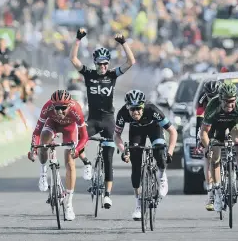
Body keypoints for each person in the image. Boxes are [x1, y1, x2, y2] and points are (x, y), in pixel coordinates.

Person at [69, 28, 136, 209]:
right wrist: (78, 40)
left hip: (107, 120)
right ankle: (88, 163)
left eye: (106, 64)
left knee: (108, 159)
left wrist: (123, 43)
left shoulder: (112, 75)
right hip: (92, 119)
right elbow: (74, 60)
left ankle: (107, 195)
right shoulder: (89, 74)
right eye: (100, 64)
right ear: (95, 64)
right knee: (75, 142)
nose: (103, 67)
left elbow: (131, 61)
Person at [114, 89, 178, 220]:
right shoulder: (122, 113)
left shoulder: (152, 110)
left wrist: (170, 152)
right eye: (132, 109)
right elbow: (117, 136)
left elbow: (173, 132)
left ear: (143, 106)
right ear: (127, 107)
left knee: (159, 151)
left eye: (138, 108)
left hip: (154, 128)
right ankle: (138, 205)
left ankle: (162, 176)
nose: (135, 112)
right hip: (136, 131)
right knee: (136, 166)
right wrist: (124, 150)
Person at [28, 90, 89, 221]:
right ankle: (43, 172)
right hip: (52, 125)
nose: (60, 112)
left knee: (69, 164)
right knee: (43, 142)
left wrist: (77, 150)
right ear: (52, 105)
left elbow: (84, 136)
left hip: (69, 129)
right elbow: (37, 131)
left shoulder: (76, 109)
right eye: (57, 108)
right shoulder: (47, 107)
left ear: (70, 104)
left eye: (63, 108)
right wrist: (33, 148)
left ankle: (68, 204)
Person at [199, 81, 238, 212]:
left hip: (234, 123)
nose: (230, 104)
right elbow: (204, 132)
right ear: (220, 99)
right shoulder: (213, 105)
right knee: (215, 156)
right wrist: (208, 148)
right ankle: (218, 193)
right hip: (216, 127)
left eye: (232, 101)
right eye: (226, 101)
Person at [194, 80, 222, 211]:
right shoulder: (202, 99)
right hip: (208, 124)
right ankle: (210, 192)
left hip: (223, 122)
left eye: (215, 96)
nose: (212, 98)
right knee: (208, 157)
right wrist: (198, 141)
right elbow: (199, 121)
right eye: (209, 95)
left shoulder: (225, 96)